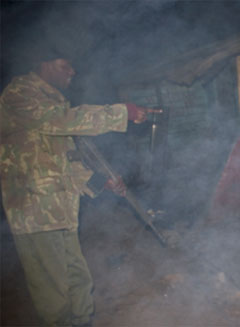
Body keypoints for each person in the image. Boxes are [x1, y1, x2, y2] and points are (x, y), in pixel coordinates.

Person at [0, 55, 159, 326]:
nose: (73, 71)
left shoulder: (53, 101)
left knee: (78, 278)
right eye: (65, 65)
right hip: (35, 211)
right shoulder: (19, 94)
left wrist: (100, 182)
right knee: (53, 291)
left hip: (61, 209)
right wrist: (122, 112)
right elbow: (63, 121)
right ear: (44, 63)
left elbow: (67, 163)